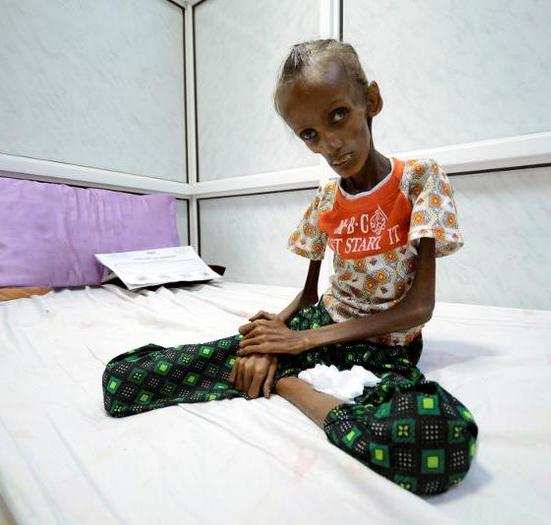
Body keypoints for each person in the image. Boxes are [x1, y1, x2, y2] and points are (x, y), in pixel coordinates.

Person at [102, 39, 478, 496]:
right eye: (310, 134)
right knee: (122, 383)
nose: (331, 144)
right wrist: (271, 334)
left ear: (371, 101)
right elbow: (308, 296)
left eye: (338, 115)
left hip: (387, 348)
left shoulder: (419, 180)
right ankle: (287, 373)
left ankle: (288, 386)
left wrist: (298, 343)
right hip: (319, 325)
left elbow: (419, 308)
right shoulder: (326, 199)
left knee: (441, 441)